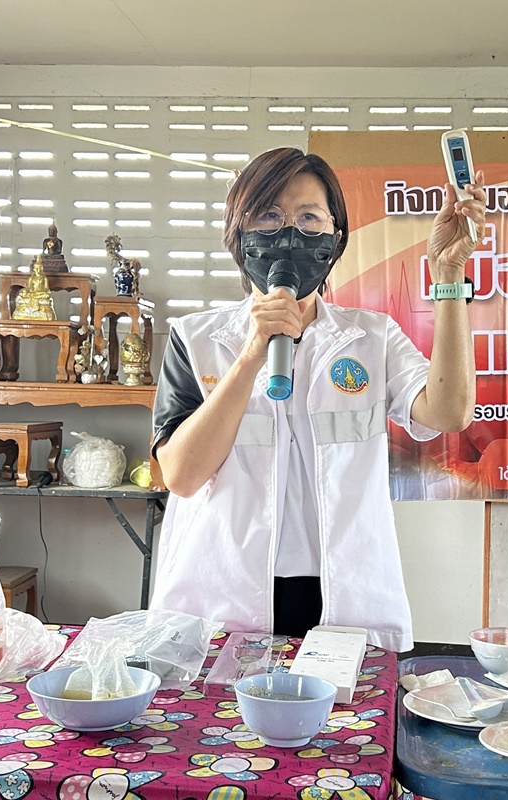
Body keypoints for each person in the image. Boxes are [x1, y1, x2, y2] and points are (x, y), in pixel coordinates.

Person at [151, 147, 485, 649]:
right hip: (222, 599)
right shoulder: (195, 339)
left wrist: (449, 277)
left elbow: (450, 412)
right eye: (269, 215)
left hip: (344, 596)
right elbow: (181, 476)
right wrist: (251, 355)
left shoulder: (372, 338)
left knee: (350, 703)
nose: (289, 234)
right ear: (239, 235)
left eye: (309, 217)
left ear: (336, 237)